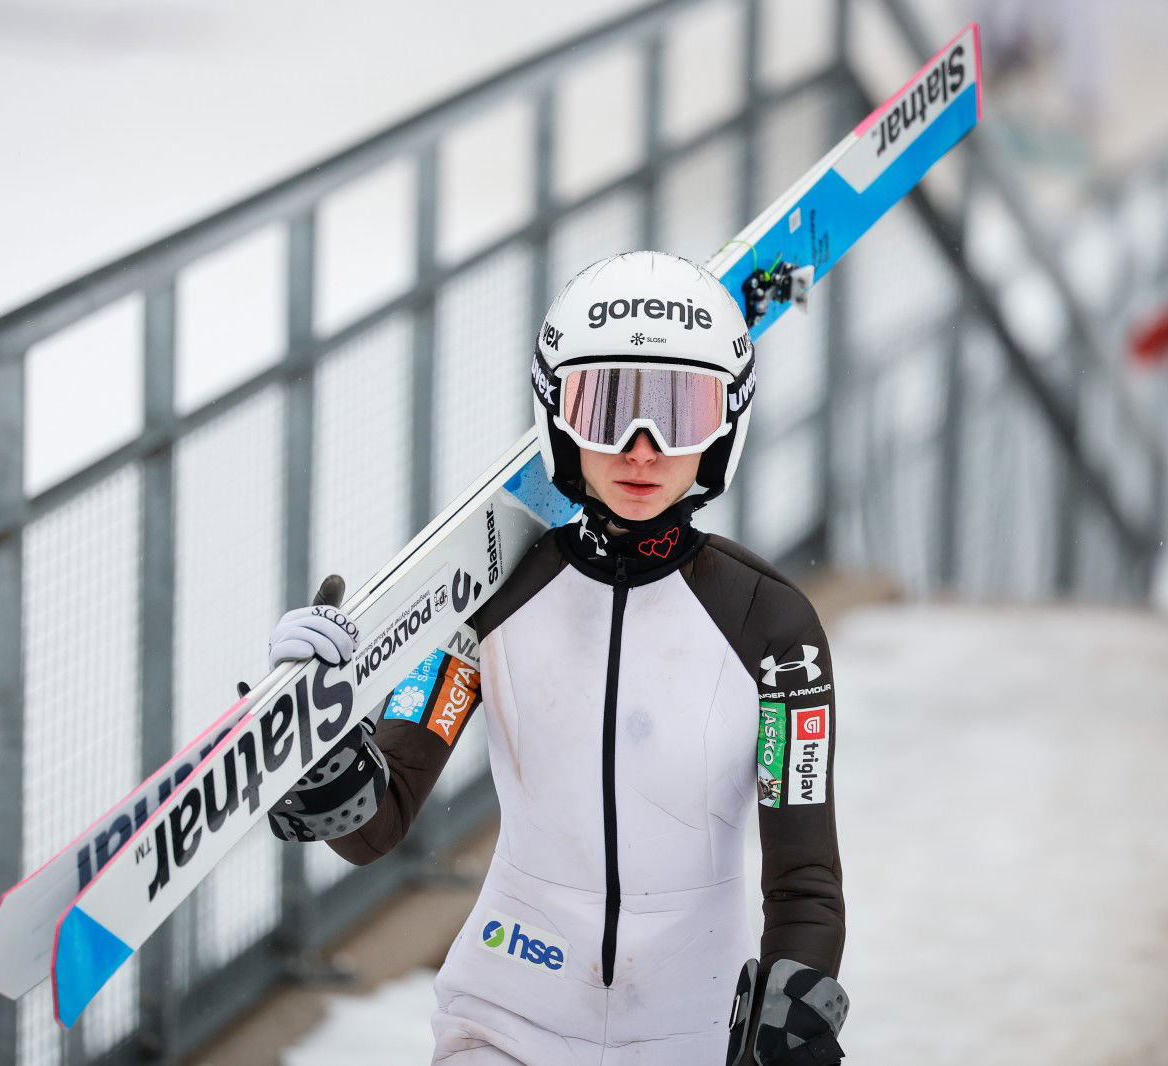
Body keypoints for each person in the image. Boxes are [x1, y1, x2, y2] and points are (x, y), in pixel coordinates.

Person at [266, 251, 848, 1065]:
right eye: (607, 408)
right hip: (506, 1013)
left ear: (725, 427)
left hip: (695, 1028)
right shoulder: (487, 596)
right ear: (557, 416)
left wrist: (794, 1002)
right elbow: (380, 820)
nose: (641, 450)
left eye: (678, 415)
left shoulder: (770, 624)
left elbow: (805, 882)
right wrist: (322, 745)